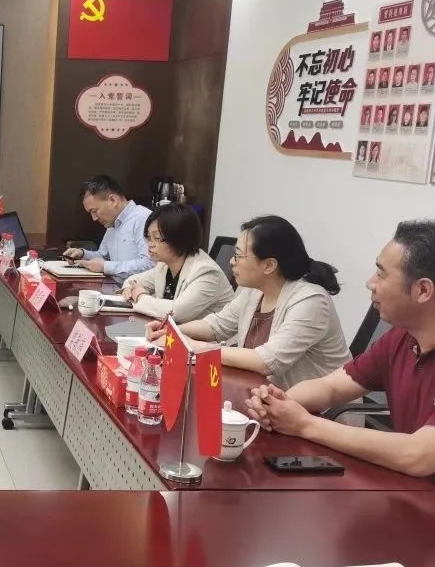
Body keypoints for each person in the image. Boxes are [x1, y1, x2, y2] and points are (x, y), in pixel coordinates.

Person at [245, 221, 435, 478]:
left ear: (423, 290)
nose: (370, 283)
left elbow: (419, 455)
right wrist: (277, 402)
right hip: (407, 485)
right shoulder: (400, 337)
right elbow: (332, 386)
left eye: (381, 274)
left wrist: (305, 424)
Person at [146, 215, 350, 389]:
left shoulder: (310, 301)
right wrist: (173, 332)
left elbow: (267, 361)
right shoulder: (253, 290)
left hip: (317, 412)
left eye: (238, 255)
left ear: (269, 265)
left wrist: (194, 347)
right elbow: (218, 325)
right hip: (260, 395)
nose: (231, 261)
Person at [119, 204, 234, 322]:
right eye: (149, 237)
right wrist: (130, 290)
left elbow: (177, 312)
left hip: (203, 334)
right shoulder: (164, 265)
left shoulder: (206, 272)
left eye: (157, 238)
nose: (150, 244)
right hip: (173, 330)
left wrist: (139, 296)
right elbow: (132, 281)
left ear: (180, 238)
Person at [61, 175, 154, 280]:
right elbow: (104, 256)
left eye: (94, 211)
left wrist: (106, 267)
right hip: (114, 286)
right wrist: (83, 254)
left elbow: (151, 265)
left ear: (113, 200)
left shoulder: (143, 219)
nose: (94, 218)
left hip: (136, 288)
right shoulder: (112, 223)